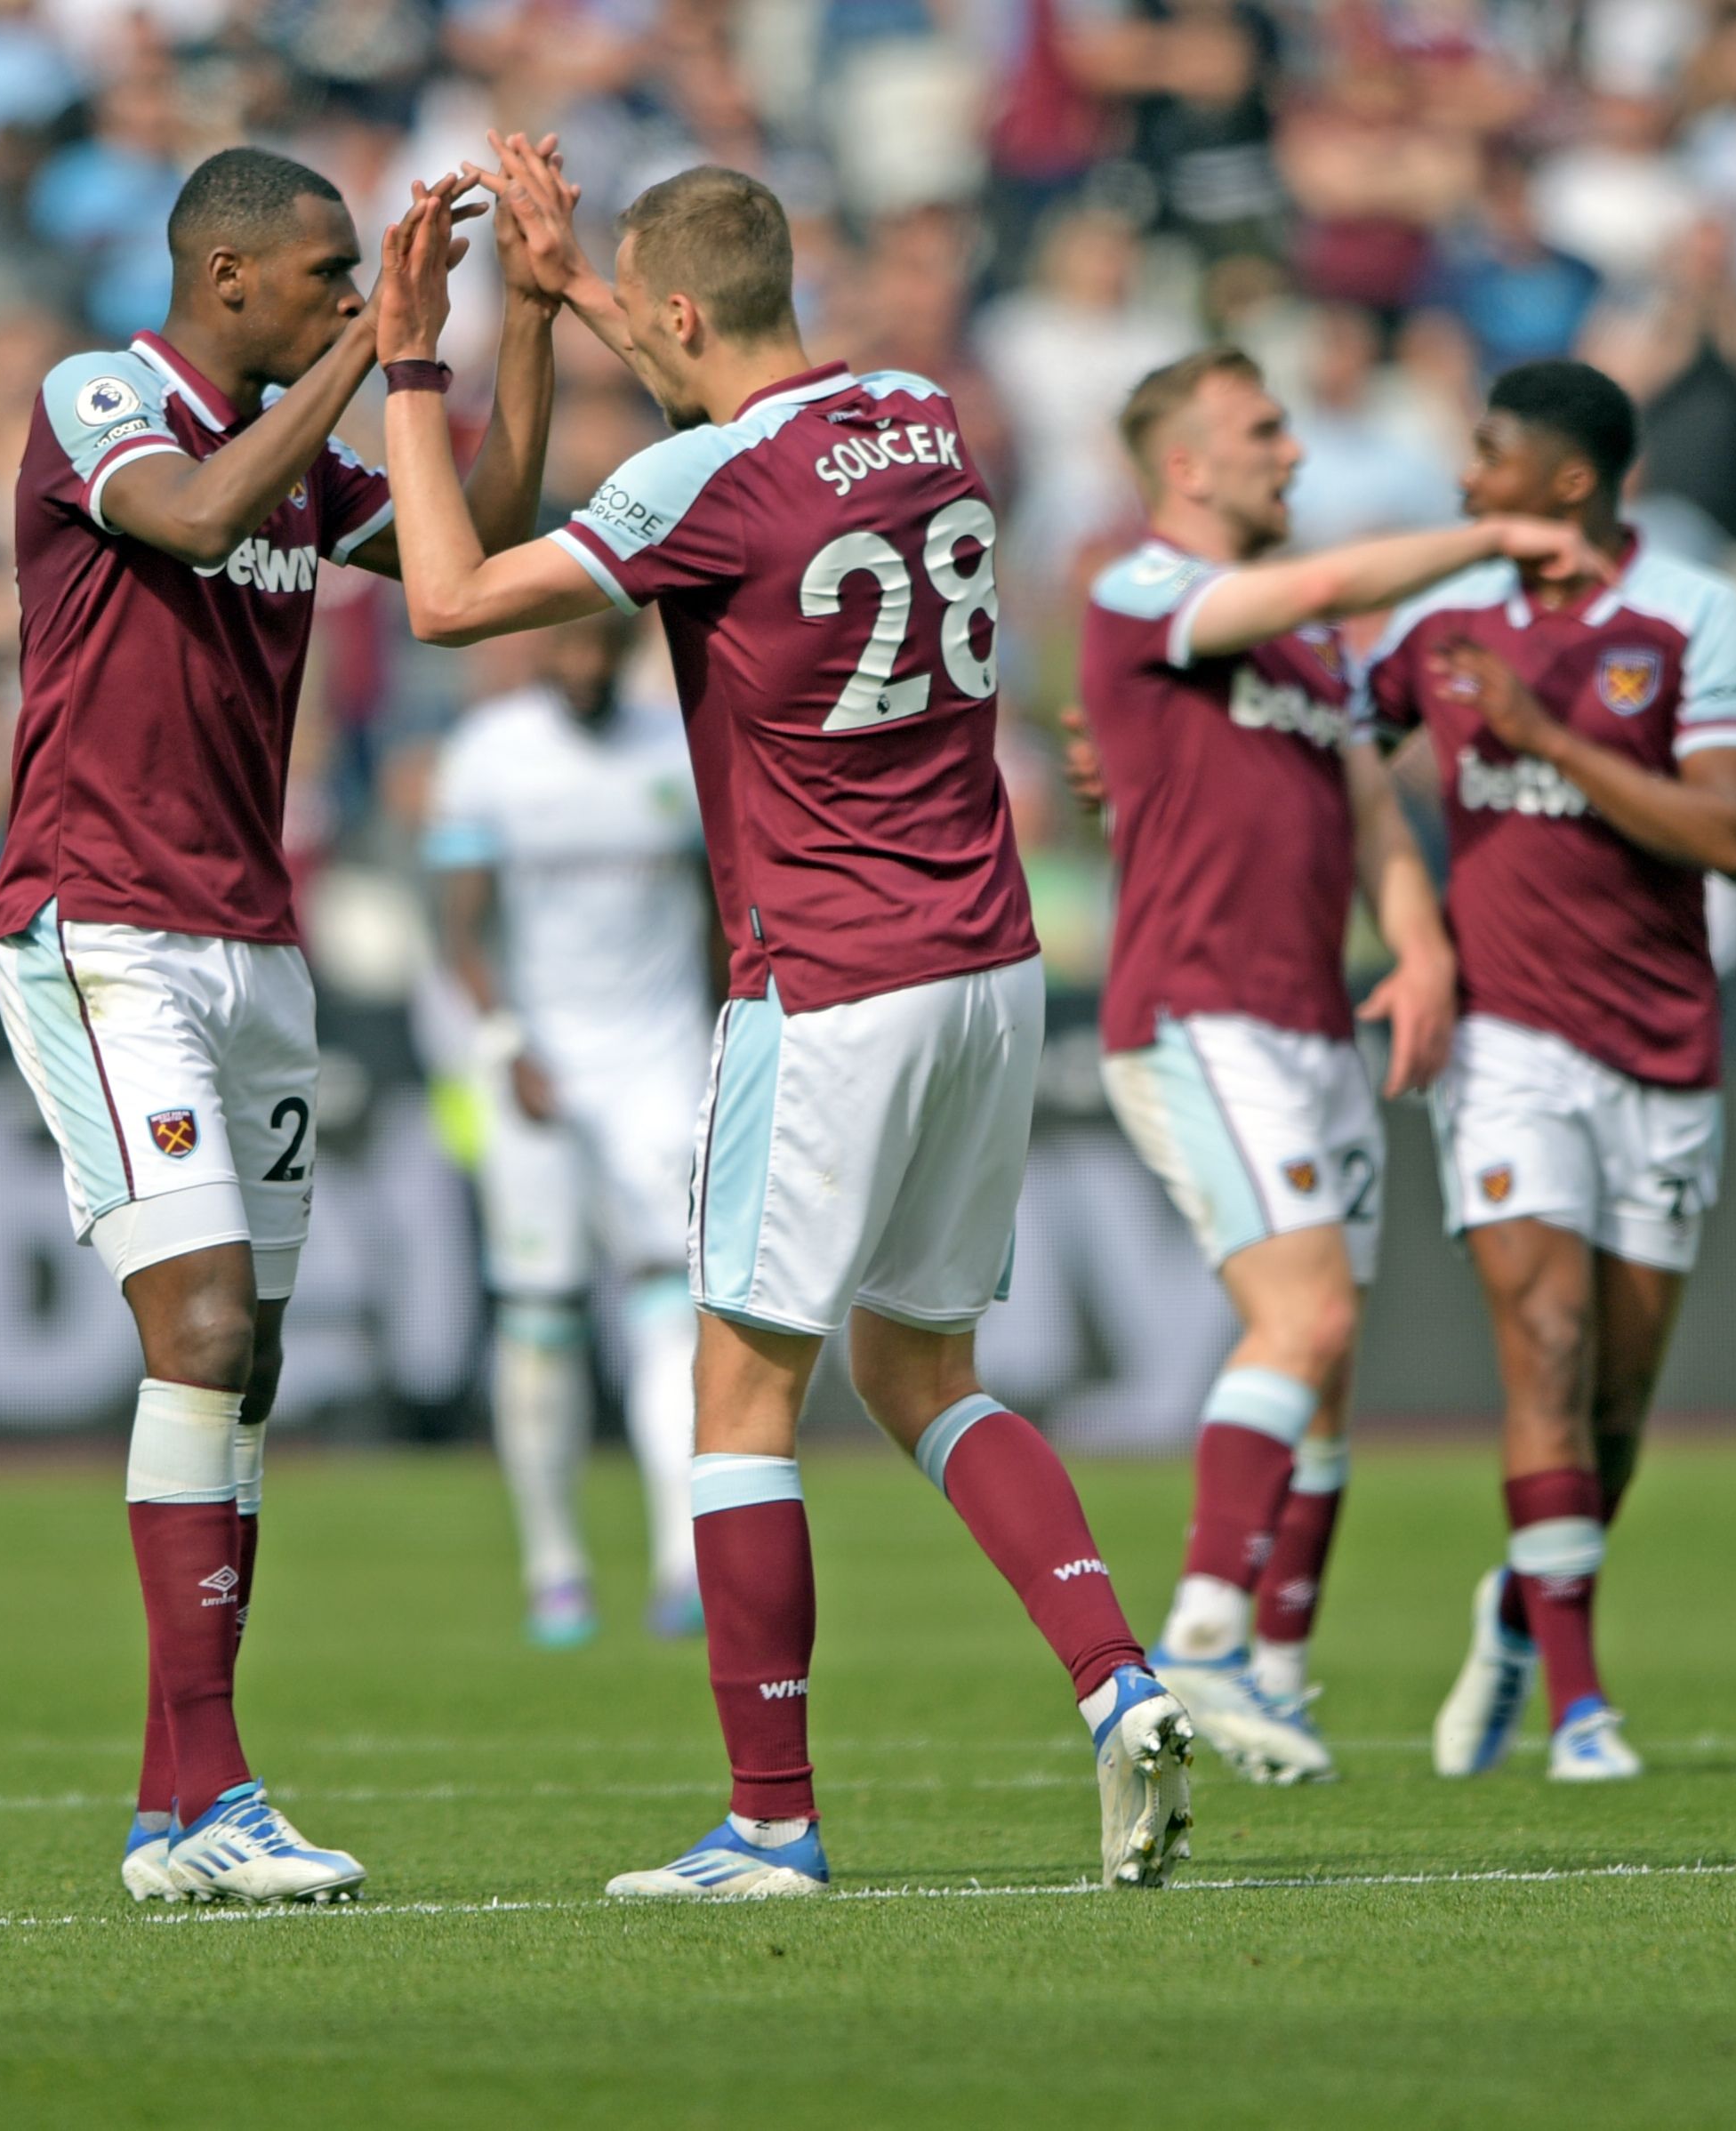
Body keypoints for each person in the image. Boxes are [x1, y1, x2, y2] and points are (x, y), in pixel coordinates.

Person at [370, 141, 1194, 1900]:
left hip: (826, 981)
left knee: (737, 1395)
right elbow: (722, 378)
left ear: (673, 311)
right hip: (988, 963)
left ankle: (770, 1820)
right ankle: (1116, 1675)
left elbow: (446, 598)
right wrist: (572, 284)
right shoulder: (921, 411)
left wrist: (420, 368)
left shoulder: (702, 482)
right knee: (923, 1368)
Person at [0, 143, 559, 1905]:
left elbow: (500, 523)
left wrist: (519, 317)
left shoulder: (304, 456)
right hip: (103, 932)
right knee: (207, 1323)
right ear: (226, 277)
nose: (338, 299)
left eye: (348, 279)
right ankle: (217, 1792)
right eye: (318, 276)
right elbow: (191, 513)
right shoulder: (104, 397)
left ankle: (173, 1819)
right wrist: (371, 352)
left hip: (258, 943)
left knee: (256, 1366)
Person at [1073, 347, 1600, 1783]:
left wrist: (1417, 947)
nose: (1289, 454)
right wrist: (1485, 539)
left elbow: (1367, 798)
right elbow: (1311, 589)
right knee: (1295, 1321)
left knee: (1328, 1365)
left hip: (1309, 1020)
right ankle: (1194, 1636)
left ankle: (1278, 1674)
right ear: (1183, 465)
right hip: (1195, 1011)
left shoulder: (1302, 662)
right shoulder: (1138, 588)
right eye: (1261, 433)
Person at [1358, 360, 1736, 1784]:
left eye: (1488, 455)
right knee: (1540, 1346)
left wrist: (1547, 742)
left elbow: (1727, 832)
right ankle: (1582, 1709)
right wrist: (1410, 931)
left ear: (1569, 482)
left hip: (1659, 1043)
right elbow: (1324, 749)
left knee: (1614, 1408)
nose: (1465, 478)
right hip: (1504, 1040)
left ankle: (1527, 1601)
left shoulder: (1692, 619)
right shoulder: (1440, 620)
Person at [423, 608, 713, 1649]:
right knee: (540, 1317)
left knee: (669, 1305)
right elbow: (457, 923)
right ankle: (554, 1564)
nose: (587, 666)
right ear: (542, 650)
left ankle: (683, 1559)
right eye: (570, 649)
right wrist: (504, 1041)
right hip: (536, 1061)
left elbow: (720, 907)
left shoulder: (675, 747)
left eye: (605, 648)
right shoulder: (491, 755)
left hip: (660, 1060)